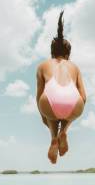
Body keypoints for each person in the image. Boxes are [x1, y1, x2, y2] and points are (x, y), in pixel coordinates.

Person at [36, 11, 87, 164]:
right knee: (69, 110)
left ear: (52, 52)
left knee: (49, 110)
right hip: (73, 103)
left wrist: (43, 116)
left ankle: (53, 138)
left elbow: (39, 96)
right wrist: (69, 120)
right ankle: (64, 132)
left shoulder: (42, 66)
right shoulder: (74, 67)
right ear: (68, 54)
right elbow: (84, 97)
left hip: (49, 102)